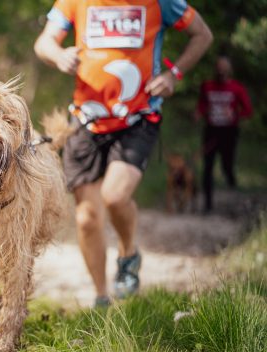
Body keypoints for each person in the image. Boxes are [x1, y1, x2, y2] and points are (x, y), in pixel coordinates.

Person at [34, 0, 213, 306]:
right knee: (87, 217)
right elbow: (44, 43)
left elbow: (202, 35)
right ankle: (102, 297)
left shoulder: (160, 2)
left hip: (137, 119)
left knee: (115, 196)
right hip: (86, 122)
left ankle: (128, 255)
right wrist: (58, 55)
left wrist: (173, 75)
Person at [196, 56, 252, 212]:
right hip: (211, 130)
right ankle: (208, 204)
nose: (221, 70)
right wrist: (199, 113)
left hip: (229, 131)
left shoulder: (237, 88)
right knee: (207, 167)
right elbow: (202, 104)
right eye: (218, 67)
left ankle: (233, 191)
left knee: (227, 165)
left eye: (224, 67)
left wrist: (235, 114)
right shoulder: (207, 86)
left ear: (229, 70)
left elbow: (248, 111)